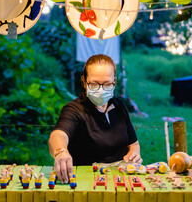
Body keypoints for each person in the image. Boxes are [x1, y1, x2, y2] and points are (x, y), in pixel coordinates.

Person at [48, 54, 142, 183]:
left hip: (120, 180)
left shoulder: (119, 106)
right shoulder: (74, 110)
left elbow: (133, 144)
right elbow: (58, 135)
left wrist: (134, 154)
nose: (101, 90)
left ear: (114, 82)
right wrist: (61, 152)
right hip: (87, 182)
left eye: (107, 84)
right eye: (94, 84)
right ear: (84, 82)